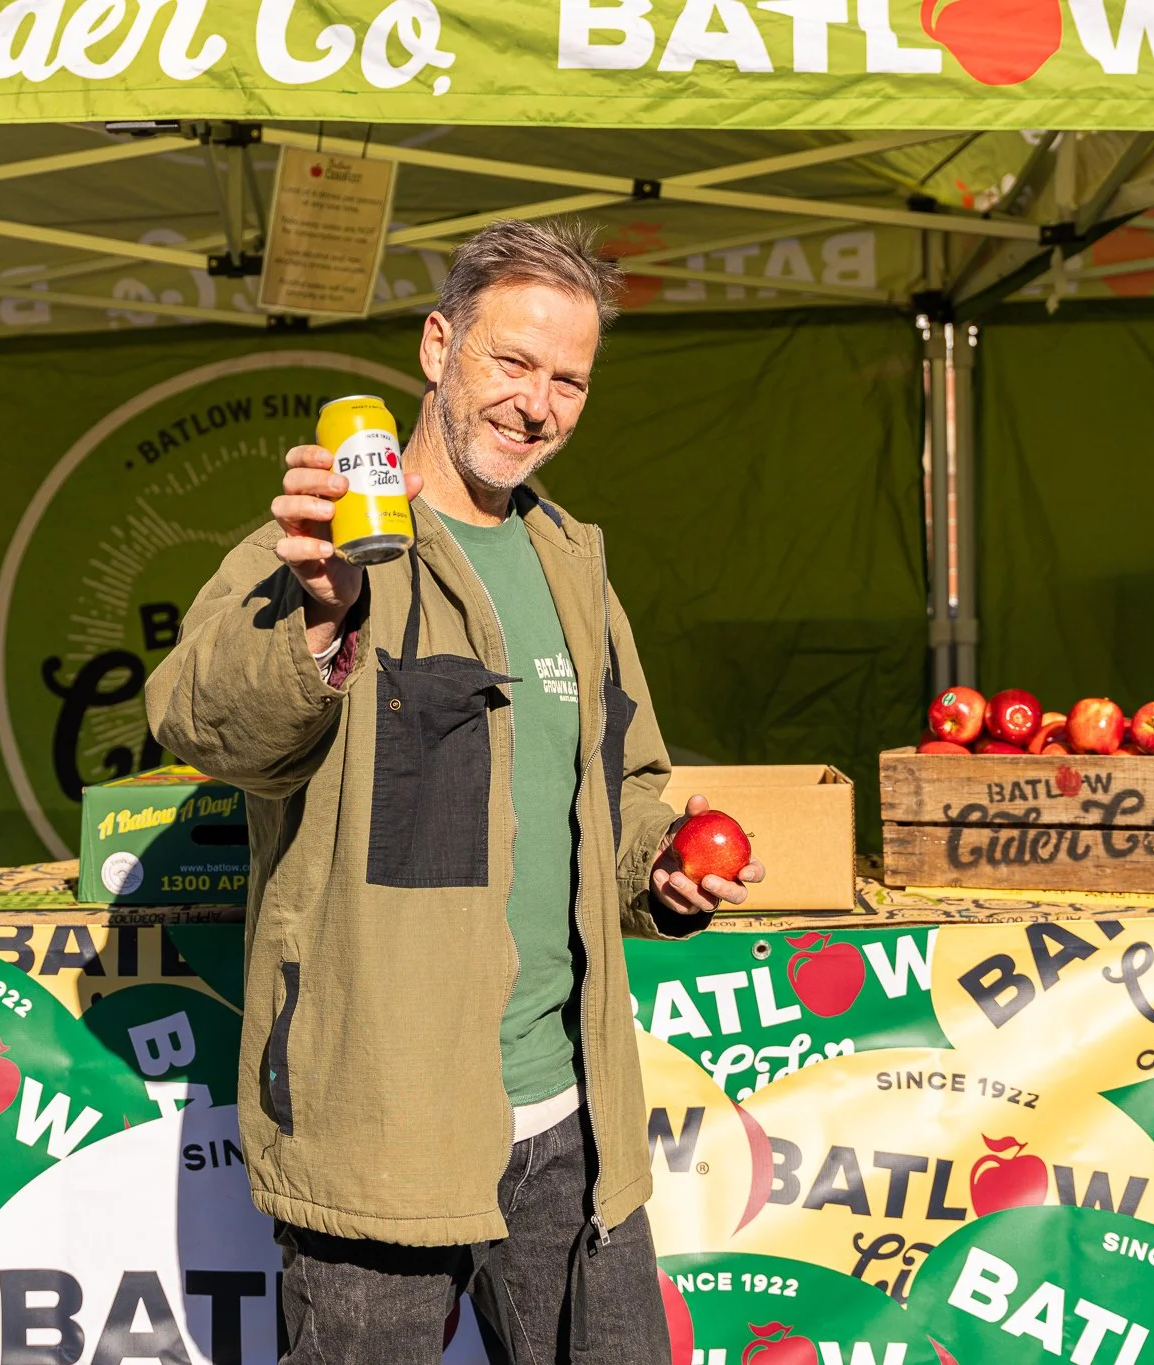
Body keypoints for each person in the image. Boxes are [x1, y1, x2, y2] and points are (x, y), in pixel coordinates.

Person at [147, 218, 764, 1364]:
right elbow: (199, 718)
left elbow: (620, 785)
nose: (537, 405)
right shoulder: (324, 545)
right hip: (380, 1120)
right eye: (511, 362)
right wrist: (320, 618)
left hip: (570, 1117)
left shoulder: (570, 562)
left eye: (568, 381)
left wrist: (659, 866)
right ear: (437, 346)